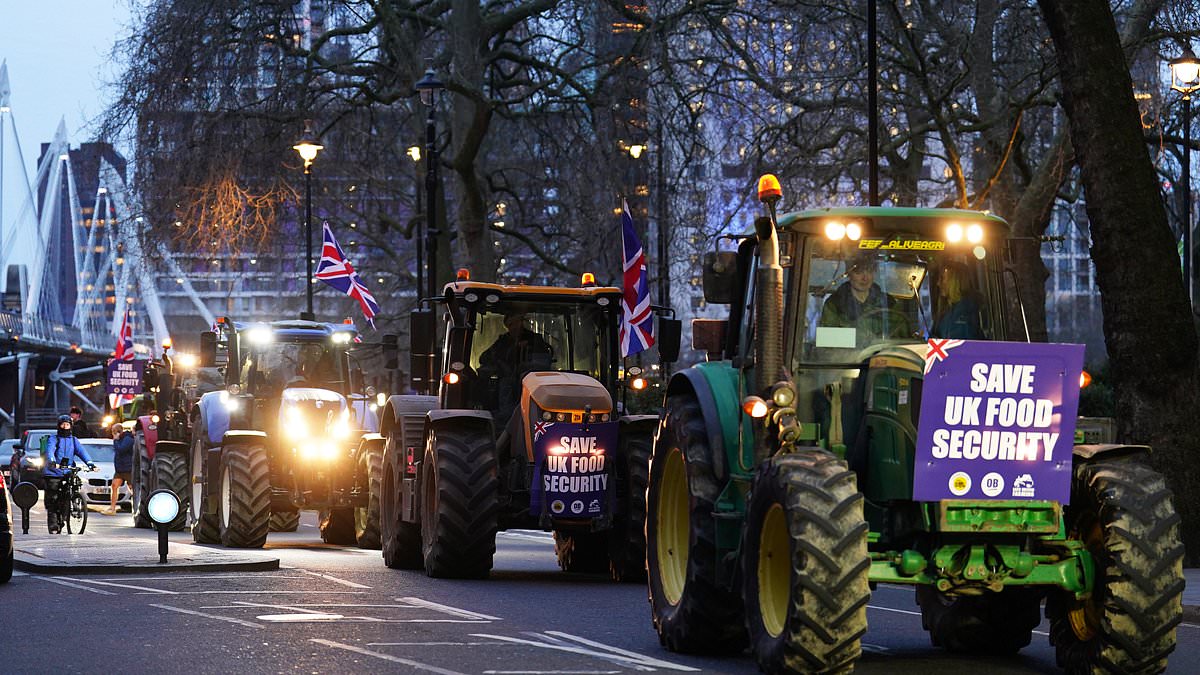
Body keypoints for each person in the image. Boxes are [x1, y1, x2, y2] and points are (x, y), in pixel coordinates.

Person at [43, 415, 95, 533]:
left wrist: (90, 463)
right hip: (53, 473)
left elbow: (82, 452)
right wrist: (52, 462)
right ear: (59, 426)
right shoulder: (53, 438)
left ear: (71, 426)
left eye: (67, 425)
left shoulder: (74, 440)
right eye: (63, 425)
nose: (65, 427)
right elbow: (50, 450)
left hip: (67, 471)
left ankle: (70, 504)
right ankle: (53, 523)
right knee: (53, 498)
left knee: (72, 487)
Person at [933, 261, 984, 339]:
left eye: (942, 278)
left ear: (955, 281)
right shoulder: (944, 312)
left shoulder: (970, 310)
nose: (938, 283)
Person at [107, 423, 134, 516]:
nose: (112, 435)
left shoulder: (128, 439)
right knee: (114, 486)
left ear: (117, 432)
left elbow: (121, 450)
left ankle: (136, 506)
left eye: (113, 432)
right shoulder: (121, 439)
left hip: (127, 468)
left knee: (132, 488)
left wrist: (115, 440)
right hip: (120, 468)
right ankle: (112, 508)